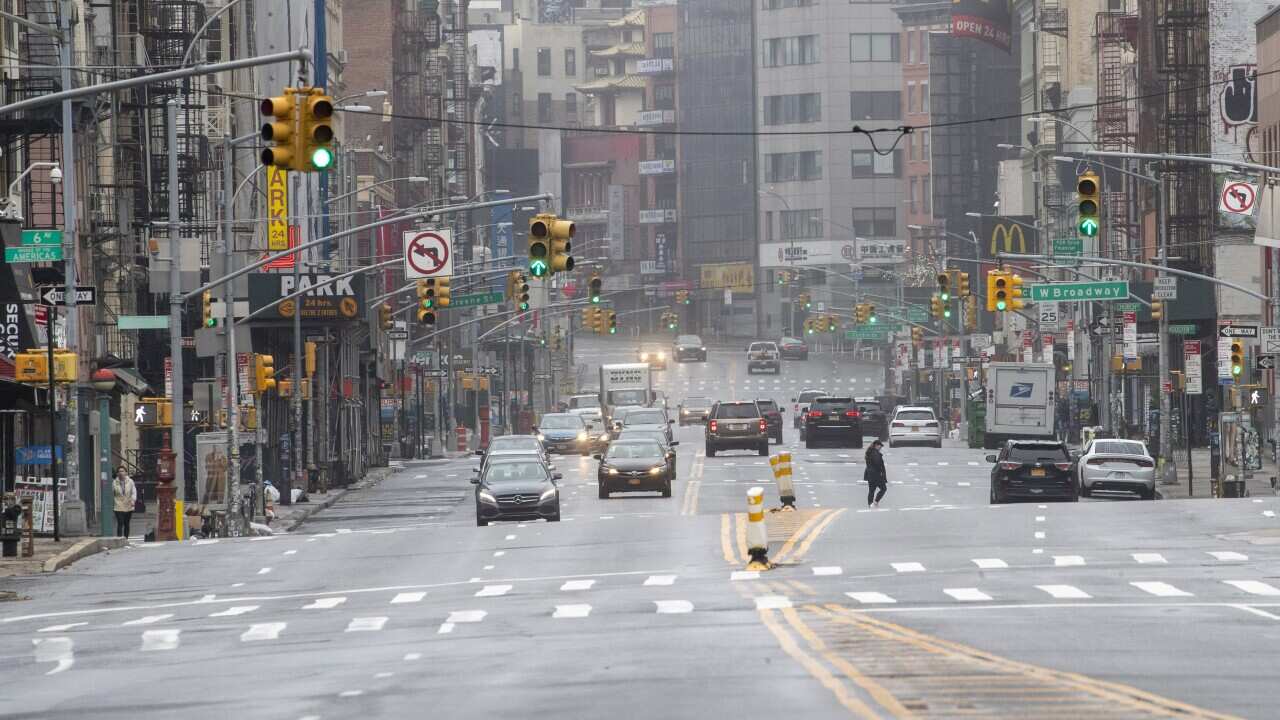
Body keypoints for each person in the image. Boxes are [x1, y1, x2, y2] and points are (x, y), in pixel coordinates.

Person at [112, 467, 137, 537]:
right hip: (118, 505)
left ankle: (126, 539)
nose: (121, 473)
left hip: (128, 505)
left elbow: (134, 492)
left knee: (126, 523)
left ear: (126, 473)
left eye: (122, 471)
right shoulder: (114, 482)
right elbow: (112, 493)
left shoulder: (130, 481)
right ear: (117, 473)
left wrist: (133, 500)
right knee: (120, 523)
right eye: (119, 471)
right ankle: (119, 539)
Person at [864, 440, 887, 508]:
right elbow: (877, 464)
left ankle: (870, 504)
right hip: (876, 474)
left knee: (871, 490)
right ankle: (876, 502)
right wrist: (881, 473)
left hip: (870, 474)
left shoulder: (869, 452)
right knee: (883, 488)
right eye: (880, 446)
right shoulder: (875, 453)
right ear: (876, 445)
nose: (880, 448)